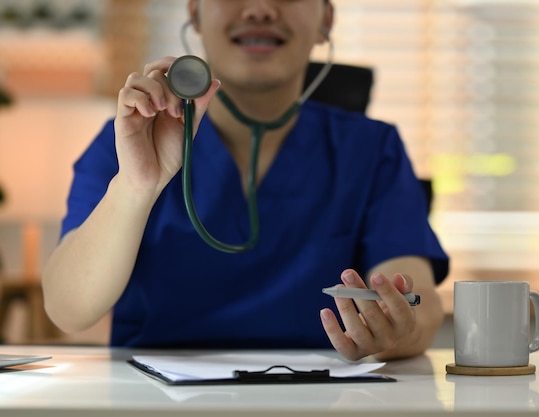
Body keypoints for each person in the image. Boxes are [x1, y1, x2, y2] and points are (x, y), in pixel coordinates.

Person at [42, 0, 449, 361]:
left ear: (326, 19)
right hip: (154, 402)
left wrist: (394, 329)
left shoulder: (371, 148)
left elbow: (419, 302)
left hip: (321, 399)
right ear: (194, 13)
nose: (259, 9)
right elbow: (68, 310)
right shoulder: (127, 141)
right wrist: (136, 184)